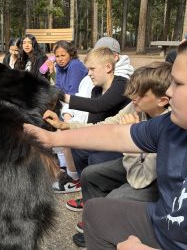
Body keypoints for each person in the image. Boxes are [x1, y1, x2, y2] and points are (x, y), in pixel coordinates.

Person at [25, 30, 187, 249]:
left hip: (184, 241)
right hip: (163, 222)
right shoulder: (172, 126)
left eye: (178, 84)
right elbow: (115, 133)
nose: (169, 92)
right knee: (96, 211)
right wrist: (52, 137)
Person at [45, 61, 171, 247]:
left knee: (113, 202)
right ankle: (95, 226)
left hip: (153, 179)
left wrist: (130, 137)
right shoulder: (139, 107)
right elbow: (107, 124)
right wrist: (67, 126)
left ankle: (111, 232)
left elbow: (139, 180)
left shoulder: (167, 126)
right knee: (90, 175)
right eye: (133, 90)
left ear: (162, 101)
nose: (133, 97)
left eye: (141, 93)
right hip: (137, 164)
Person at [52, 46, 130, 193]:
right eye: (88, 70)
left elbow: (98, 106)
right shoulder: (96, 90)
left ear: (108, 67)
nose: (89, 74)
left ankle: (97, 192)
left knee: (96, 157)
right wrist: (65, 125)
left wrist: (61, 96)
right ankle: (84, 186)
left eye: (92, 69)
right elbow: (93, 123)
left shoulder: (121, 84)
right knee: (77, 143)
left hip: (121, 143)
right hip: (104, 136)